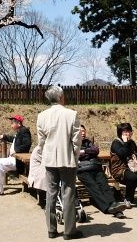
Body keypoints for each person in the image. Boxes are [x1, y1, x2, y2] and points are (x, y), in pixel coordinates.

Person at [37, 85, 83, 240]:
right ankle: (69, 231)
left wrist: (45, 154)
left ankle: (51, 230)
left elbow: (41, 141)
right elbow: (76, 140)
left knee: (50, 194)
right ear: (61, 97)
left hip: (49, 159)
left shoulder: (41, 116)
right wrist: (75, 156)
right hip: (67, 159)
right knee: (68, 194)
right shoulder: (71, 114)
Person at [77, 125, 126, 218]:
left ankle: (114, 204)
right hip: (82, 170)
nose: (83, 133)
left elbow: (95, 150)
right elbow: (75, 154)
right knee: (94, 187)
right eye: (80, 131)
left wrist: (83, 152)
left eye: (84, 131)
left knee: (104, 185)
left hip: (95, 167)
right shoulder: (72, 143)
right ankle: (109, 208)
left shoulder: (88, 142)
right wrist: (87, 153)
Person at [0, 114, 31, 196]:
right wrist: (4, 136)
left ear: (18, 123)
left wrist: (16, 152)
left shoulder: (24, 131)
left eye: (13, 122)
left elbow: (27, 144)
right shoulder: (19, 131)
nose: (11, 124)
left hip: (18, 160)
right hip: (14, 159)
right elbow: (14, 139)